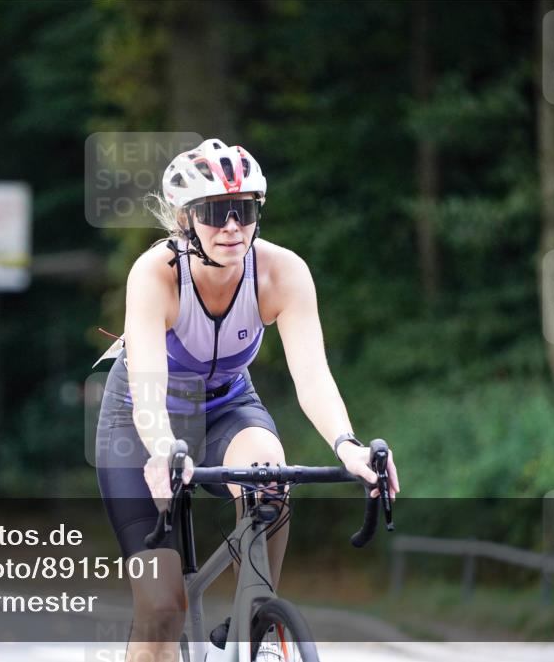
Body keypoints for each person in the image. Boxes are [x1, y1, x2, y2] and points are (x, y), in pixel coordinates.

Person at [94, 140, 400, 661]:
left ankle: (253, 621)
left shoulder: (282, 273)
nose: (233, 225)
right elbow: (147, 384)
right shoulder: (155, 275)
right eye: (216, 212)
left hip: (227, 406)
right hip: (141, 419)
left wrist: (347, 446)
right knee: (163, 610)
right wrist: (164, 449)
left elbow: (313, 375)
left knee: (270, 476)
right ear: (185, 219)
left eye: (246, 210)